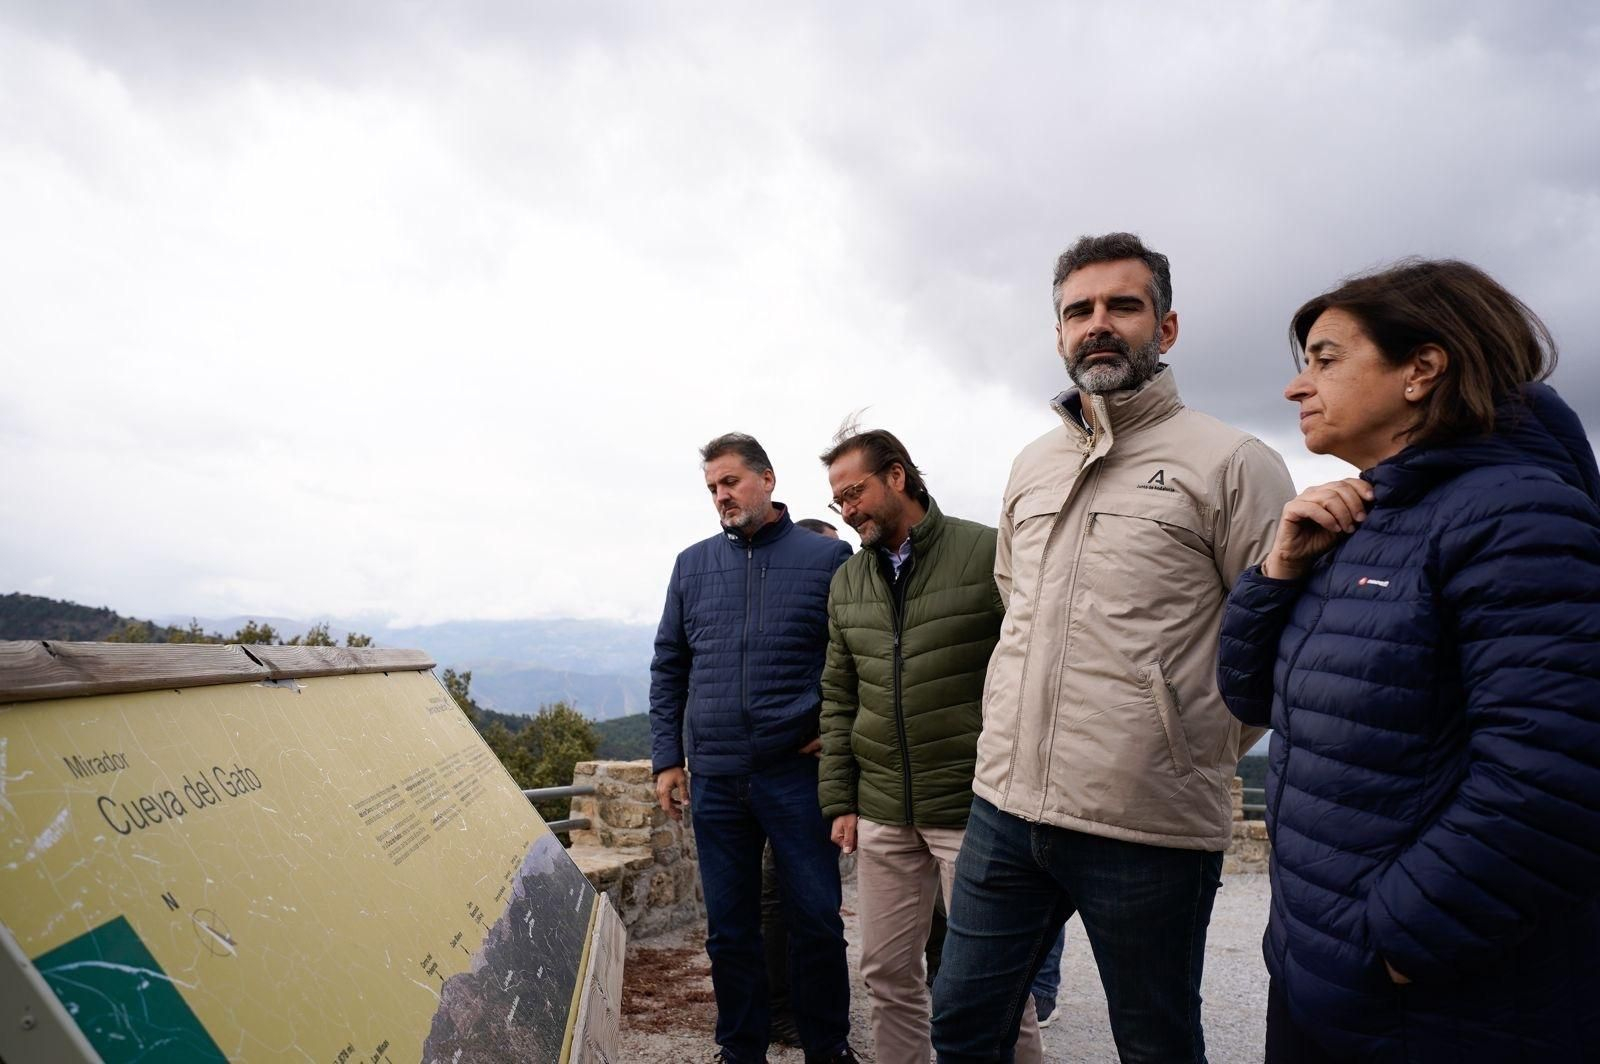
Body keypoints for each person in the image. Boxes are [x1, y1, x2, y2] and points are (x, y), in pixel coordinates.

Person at [1216, 259, 1600, 1063]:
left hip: (1435, 1003)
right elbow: (1251, 694)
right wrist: (1279, 570)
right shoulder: (1364, 516)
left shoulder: (1521, 514)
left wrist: (1394, 941)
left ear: (1422, 370)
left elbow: (1552, 775)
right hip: (1320, 974)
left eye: (1324, 359)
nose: (1295, 387)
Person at [930, 232, 1295, 1063]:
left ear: (1164, 329)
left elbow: (1278, 646)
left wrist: (1184, 747)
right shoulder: (1033, 463)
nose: (1098, 324)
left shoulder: (1235, 464)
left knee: (1156, 1042)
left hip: (1149, 824)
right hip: (1005, 807)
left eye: (1121, 306)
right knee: (960, 1023)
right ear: (1059, 333)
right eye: (1078, 311)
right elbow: (1014, 603)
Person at [816, 428, 1040, 1064]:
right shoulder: (848, 580)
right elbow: (838, 696)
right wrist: (840, 801)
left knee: (995, 983)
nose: (848, 509)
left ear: (896, 477)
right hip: (882, 811)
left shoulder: (985, 553)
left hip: (975, 810)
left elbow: (1029, 669)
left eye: (854, 492)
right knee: (886, 975)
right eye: (837, 501)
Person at [650, 432, 858, 1064]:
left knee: (818, 921)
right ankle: (740, 1049)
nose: (721, 495)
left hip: (796, 773)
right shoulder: (691, 565)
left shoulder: (827, 560)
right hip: (714, 776)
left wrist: (839, 727)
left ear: (768, 479)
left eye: (731, 481)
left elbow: (857, 655)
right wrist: (666, 758)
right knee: (730, 930)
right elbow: (669, 665)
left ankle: (829, 1047)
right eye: (713, 486)